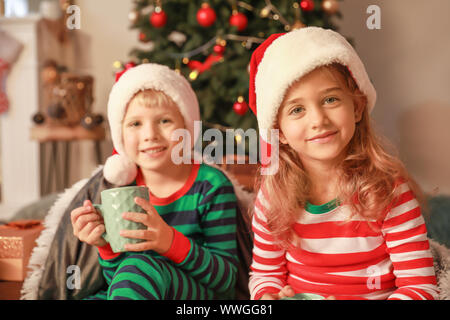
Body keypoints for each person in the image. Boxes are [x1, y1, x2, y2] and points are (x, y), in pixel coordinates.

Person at [247, 27, 439, 300]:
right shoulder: (273, 196)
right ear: (279, 132)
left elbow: (420, 287)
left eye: (330, 99)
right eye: (297, 109)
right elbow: (265, 275)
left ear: (357, 107)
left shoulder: (388, 190)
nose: (318, 120)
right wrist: (268, 296)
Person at [70, 63, 238, 300]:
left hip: (197, 295)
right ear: (120, 136)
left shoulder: (211, 185)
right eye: (135, 124)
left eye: (164, 121)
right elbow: (119, 279)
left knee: (140, 267)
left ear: (187, 129)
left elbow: (227, 280)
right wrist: (105, 245)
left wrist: (169, 241)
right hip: (140, 289)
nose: (150, 134)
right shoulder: (123, 190)